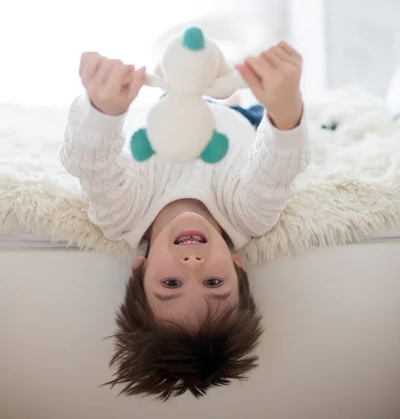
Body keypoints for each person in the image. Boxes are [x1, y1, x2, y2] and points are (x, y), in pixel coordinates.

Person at [60, 40, 310, 400]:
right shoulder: (249, 214)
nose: (192, 264)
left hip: (167, 110)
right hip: (241, 121)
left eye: (172, 283)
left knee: (174, 75)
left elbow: (90, 161)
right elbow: (279, 164)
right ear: (237, 266)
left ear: (140, 270)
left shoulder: (121, 213)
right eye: (213, 281)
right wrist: (285, 107)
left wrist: (103, 110)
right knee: (251, 105)